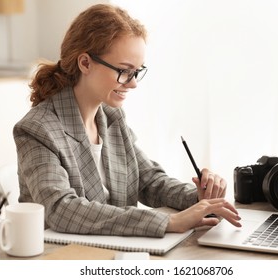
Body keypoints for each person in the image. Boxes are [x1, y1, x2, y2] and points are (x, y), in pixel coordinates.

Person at [13, 3, 241, 237]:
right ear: (85, 63)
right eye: (124, 71)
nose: (132, 83)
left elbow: (148, 180)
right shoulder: (37, 129)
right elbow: (61, 209)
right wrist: (168, 222)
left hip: (117, 251)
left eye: (136, 72)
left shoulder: (112, 118)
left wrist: (198, 198)